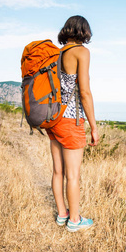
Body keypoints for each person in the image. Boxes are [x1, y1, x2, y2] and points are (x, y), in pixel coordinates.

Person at [45, 15, 99, 232]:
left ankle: (62, 214)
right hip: (70, 119)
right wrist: (93, 126)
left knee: (58, 171)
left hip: (53, 118)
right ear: (83, 31)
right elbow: (84, 92)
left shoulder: (56, 55)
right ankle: (74, 221)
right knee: (73, 174)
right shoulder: (81, 52)